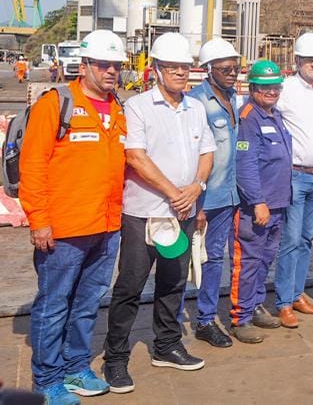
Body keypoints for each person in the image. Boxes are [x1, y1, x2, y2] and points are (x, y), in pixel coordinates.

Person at [102, 32, 215, 393]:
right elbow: (135, 156)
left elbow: (207, 153)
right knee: (131, 285)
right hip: (145, 215)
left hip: (181, 214)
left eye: (185, 67)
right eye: (173, 67)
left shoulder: (195, 107)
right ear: (157, 70)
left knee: (173, 281)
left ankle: (166, 346)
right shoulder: (138, 107)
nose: (181, 73)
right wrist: (173, 193)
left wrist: (196, 187)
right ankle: (115, 358)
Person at [21, 31, 128, 405]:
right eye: (103, 64)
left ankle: (76, 366)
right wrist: (38, 220)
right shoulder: (58, 103)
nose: (111, 71)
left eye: (116, 65)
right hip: (63, 229)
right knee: (53, 305)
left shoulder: (117, 107)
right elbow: (32, 165)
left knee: (86, 304)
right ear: (84, 66)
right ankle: (47, 379)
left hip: (106, 226)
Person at [274, 32, 313, 327]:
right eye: (309, 59)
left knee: (304, 239)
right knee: (289, 240)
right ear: (296, 60)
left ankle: (298, 293)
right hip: (296, 177)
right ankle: (284, 302)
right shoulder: (285, 89)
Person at [229, 60, 293, 344]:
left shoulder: (274, 115)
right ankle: (240, 317)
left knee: (265, 259)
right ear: (253, 87)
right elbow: (246, 165)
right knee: (249, 261)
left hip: (278, 203)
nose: (271, 91)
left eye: (275, 86)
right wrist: (257, 202)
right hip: (258, 207)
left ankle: (254, 305)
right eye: (265, 87)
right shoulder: (249, 118)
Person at [186, 38, 243, 348]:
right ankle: (177, 321)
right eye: (225, 69)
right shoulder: (196, 102)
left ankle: (205, 319)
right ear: (208, 70)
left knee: (215, 260)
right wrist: (198, 202)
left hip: (231, 195)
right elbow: (194, 152)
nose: (232, 74)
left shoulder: (235, 99)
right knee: (193, 259)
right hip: (207, 197)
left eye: (235, 68)